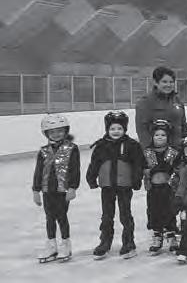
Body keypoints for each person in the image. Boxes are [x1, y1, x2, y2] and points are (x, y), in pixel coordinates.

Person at [86, 111, 144, 259]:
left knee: (125, 215)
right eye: (112, 129)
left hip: (125, 186)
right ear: (107, 129)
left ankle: (129, 243)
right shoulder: (101, 146)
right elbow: (94, 163)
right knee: (107, 216)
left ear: (125, 129)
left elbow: (138, 164)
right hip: (107, 187)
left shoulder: (132, 145)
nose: (116, 131)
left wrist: (137, 180)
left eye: (119, 128)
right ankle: (105, 242)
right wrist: (91, 178)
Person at [33, 114, 80, 263]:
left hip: (62, 190)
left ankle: (66, 244)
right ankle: (51, 244)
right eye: (52, 132)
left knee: (61, 216)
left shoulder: (71, 148)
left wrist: (73, 187)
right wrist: (36, 190)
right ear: (46, 134)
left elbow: (75, 169)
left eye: (59, 131)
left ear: (65, 131)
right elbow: (38, 171)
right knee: (49, 217)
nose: (56, 134)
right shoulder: (43, 151)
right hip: (47, 190)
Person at [143, 120, 182, 254]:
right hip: (153, 189)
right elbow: (142, 168)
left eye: (163, 135)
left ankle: (171, 235)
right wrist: (147, 172)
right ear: (152, 136)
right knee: (154, 211)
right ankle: (157, 235)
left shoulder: (173, 152)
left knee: (170, 211)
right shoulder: (147, 153)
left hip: (168, 188)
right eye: (157, 135)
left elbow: (178, 168)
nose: (160, 137)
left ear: (168, 137)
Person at [135, 66, 187, 150]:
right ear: (156, 82)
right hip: (156, 150)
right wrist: (149, 150)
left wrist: (182, 144)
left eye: (171, 82)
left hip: (177, 149)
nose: (168, 85)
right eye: (164, 82)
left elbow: (183, 125)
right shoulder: (145, 102)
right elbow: (142, 130)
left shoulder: (177, 101)